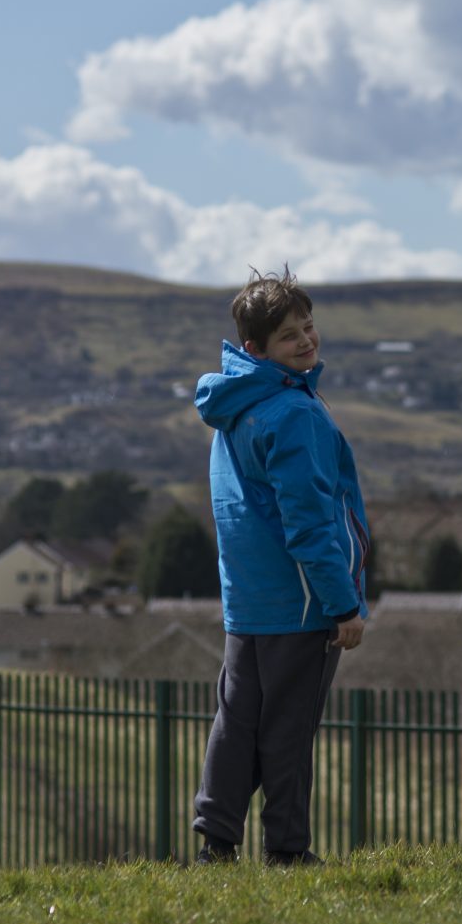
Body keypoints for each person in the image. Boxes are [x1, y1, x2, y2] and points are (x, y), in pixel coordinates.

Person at [190, 266, 371, 867]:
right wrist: (341, 602)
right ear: (256, 349)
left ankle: (217, 840)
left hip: (247, 605)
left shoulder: (234, 410)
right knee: (288, 733)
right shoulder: (295, 414)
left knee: (236, 722)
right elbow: (311, 521)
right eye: (290, 335)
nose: (307, 341)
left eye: (309, 327)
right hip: (301, 606)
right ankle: (288, 851)